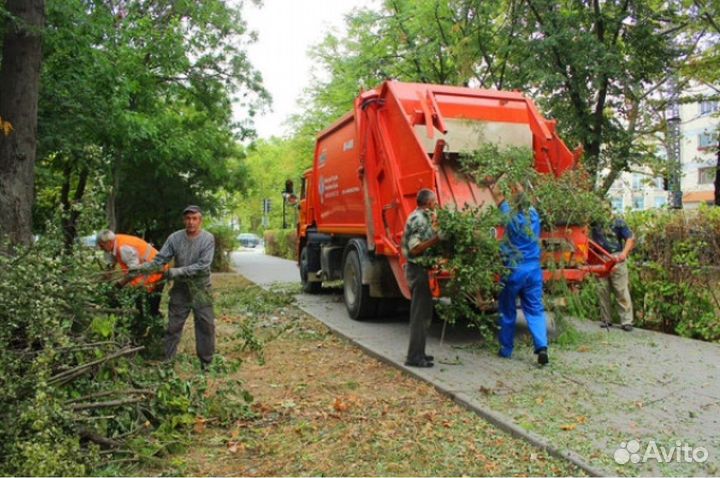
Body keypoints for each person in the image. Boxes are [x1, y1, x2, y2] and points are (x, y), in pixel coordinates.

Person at [134, 205, 216, 369]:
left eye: (194, 219)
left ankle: (206, 363)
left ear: (200, 220)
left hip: (201, 289)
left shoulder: (208, 239)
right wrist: (144, 268)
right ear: (183, 220)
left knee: (205, 325)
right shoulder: (174, 238)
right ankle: (168, 363)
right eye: (188, 218)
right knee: (173, 327)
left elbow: (203, 266)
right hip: (180, 290)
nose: (191, 222)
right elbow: (160, 260)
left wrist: (176, 271)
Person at [489, 181, 549, 366]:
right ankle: (542, 347)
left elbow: (498, 196)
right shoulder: (534, 215)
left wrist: (493, 180)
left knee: (507, 310)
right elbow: (524, 197)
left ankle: (506, 349)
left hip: (514, 270)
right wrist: (517, 181)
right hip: (533, 270)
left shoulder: (510, 215)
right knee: (535, 310)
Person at [401, 188, 442, 368]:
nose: (436, 204)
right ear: (427, 202)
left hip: (421, 270)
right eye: (434, 201)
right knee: (420, 315)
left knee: (424, 314)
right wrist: (437, 240)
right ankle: (414, 357)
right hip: (417, 270)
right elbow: (415, 248)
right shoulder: (418, 219)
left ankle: (420, 352)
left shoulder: (424, 217)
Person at [96, 230, 167, 324]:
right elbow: (110, 266)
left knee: (150, 307)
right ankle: (143, 325)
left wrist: (118, 285)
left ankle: (157, 327)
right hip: (147, 274)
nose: (101, 248)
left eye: (102, 246)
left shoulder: (123, 248)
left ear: (108, 242)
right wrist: (100, 282)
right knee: (140, 304)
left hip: (156, 273)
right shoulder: (114, 243)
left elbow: (134, 272)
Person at [590, 205, 635, 331]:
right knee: (602, 290)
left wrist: (623, 254)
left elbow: (630, 238)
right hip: (599, 258)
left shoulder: (618, 222)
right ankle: (606, 319)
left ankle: (627, 321)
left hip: (616, 258)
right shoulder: (594, 223)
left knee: (620, 289)